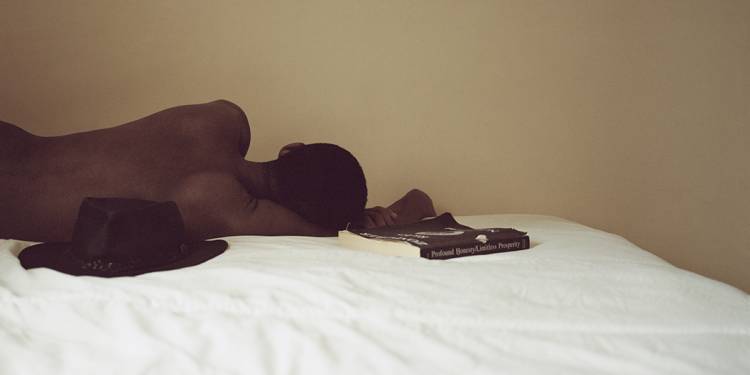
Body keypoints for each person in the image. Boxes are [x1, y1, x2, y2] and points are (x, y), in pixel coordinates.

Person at [0, 100, 436, 242]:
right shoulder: (221, 205)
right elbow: (419, 200)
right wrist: (351, 219)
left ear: (291, 149)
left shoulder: (223, 119)